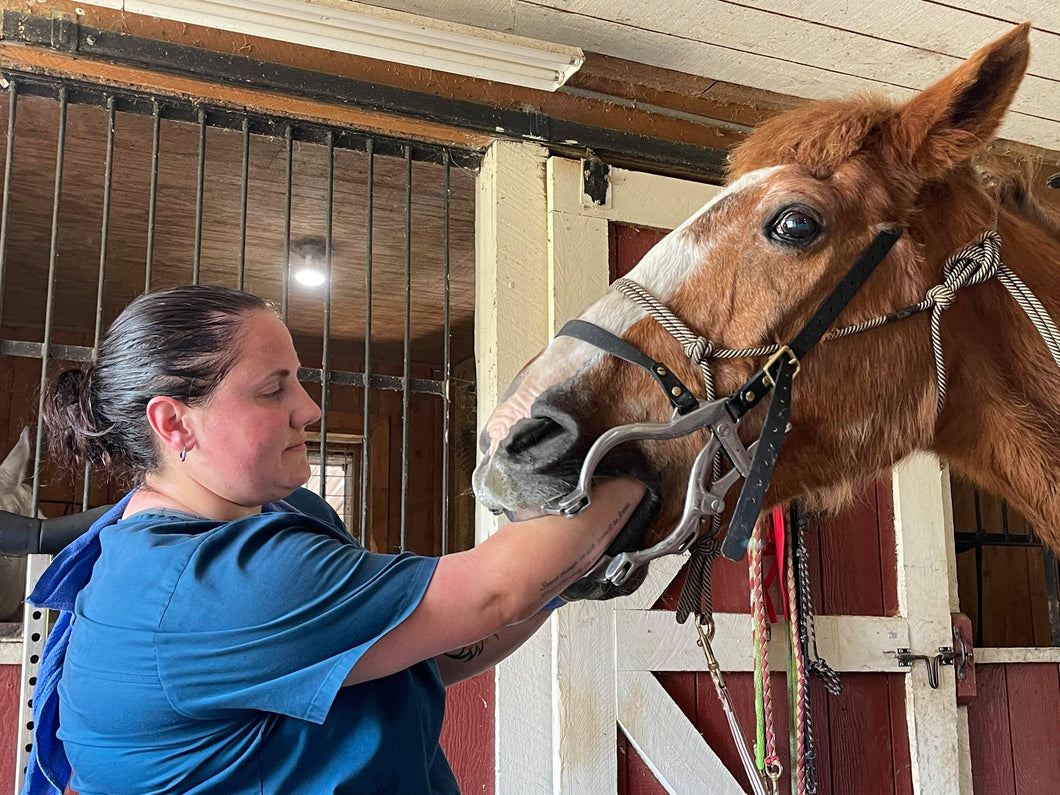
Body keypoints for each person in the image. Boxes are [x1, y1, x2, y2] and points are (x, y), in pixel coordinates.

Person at [25, 285, 646, 795]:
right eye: (273, 389)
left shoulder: (282, 513)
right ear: (172, 422)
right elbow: (493, 593)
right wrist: (653, 461)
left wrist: (571, 572)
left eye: (297, 380)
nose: (309, 408)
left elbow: (424, 650)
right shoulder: (208, 581)